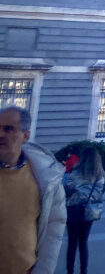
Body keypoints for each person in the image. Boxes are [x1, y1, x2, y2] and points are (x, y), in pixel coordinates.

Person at [0, 106, 66, 274]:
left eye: (8, 129)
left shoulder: (46, 177)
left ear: (26, 135)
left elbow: (55, 227)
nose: (1, 135)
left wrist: (43, 270)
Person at [63, 145, 105, 274]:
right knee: (83, 242)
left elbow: (67, 190)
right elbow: (102, 191)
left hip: (74, 209)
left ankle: (70, 270)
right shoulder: (101, 176)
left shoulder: (75, 173)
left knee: (72, 243)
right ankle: (84, 270)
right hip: (90, 211)